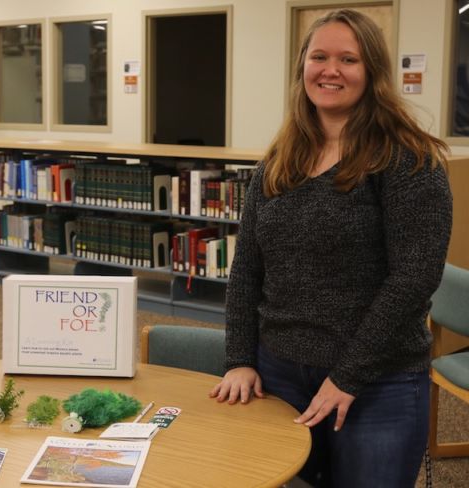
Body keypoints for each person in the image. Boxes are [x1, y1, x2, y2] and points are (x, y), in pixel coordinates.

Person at [209, 9, 452, 487]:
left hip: (379, 383)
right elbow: (247, 270)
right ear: (303, 67)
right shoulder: (279, 162)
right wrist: (239, 357)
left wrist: (348, 377)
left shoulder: (409, 160)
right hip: (278, 373)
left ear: (374, 73)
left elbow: (413, 279)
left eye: (348, 59)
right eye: (319, 56)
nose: (330, 70)